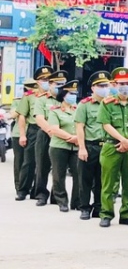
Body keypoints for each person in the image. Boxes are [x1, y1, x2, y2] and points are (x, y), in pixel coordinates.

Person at [98, 67, 128, 228]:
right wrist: (123, 140)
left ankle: (127, 213)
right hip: (111, 146)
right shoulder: (107, 103)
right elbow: (106, 124)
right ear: (114, 84)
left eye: (127, 83)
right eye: (121, 83)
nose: (124, 86)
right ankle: (106, 213)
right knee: (108, 183)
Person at [73, 71, 110, 220]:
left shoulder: (110, 104)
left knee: (103, 180)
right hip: (90, 146)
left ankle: (98, 208)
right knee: (85, 179)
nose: (104, 88)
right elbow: (79, 127)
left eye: (106, 85)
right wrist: (81, 147)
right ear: (93, 88)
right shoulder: (85, 105)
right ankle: (84, 208)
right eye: (100, 86)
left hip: (106, 145)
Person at [21, 66, 55, 205]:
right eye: (43, 79)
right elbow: (22, 116)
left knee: (51, 164)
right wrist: (22, 134)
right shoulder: (30, 96)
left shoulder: (59, 96)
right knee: (30, 162)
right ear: (37, 81)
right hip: (35, 129)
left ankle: (47, 193)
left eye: (49, 79)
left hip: (55, 130)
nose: (46, 81)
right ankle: (24, 189)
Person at [45, 80, 80, 212]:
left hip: (76, 147)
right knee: (58, 174)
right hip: (59, 146)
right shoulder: (55, 111)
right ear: (64, 95)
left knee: (78, 174)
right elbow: (54, 129)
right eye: (71, 93)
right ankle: (61, 200)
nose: (74, 96)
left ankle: (76, 201)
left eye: (75, 93)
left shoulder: (78, 109)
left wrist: (78, 138)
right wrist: (71, 138)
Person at [11, 78, 36, 200]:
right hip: (18, 133)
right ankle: (19, 186)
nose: (32, 88)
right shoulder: (18, 101)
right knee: (19, 162)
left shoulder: (37, 99)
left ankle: (30, 186)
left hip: (32, 132)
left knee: (31, 161)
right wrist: (23, 105)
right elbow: (13, 115)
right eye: (30, 86)